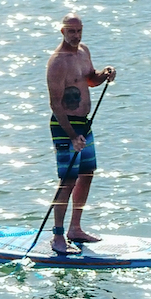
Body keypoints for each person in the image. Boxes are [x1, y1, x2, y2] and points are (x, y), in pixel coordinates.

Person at [45, 14, 116, 255]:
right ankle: (57, 236)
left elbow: (90, 79)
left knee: (87, 173)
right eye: (71, 31)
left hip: (84, 123)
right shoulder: (57, 62)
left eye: (79, 31)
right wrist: (72, 136)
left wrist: (104, 73)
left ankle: (75, 228)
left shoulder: (83, 51)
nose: (76, 36)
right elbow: (55, 104)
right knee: (67, 180)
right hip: (65, 126)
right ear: (62, 31)